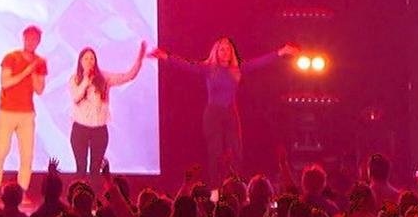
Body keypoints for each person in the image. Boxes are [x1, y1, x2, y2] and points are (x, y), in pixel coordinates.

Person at [153, 37, 296, 177]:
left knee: (236, 150)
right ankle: (215, 190)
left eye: (228, 49)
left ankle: (235, 184)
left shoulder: (237, 69)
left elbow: (259, 62)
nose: (225, 52)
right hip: (213, 113)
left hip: (230, 112)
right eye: (222, 49)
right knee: (215, 152)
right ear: (216, 52)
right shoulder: (208, 68)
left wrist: (281, 52)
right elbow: (187, 66)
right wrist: (166, 57)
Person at [0, 25, 48, 205]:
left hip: (27, 114)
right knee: (1, 150)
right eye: (29, 38)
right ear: (23, 38)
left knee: (27, 154)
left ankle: (22, 191)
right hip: (7, 111)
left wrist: (34, 71)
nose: (31, 42)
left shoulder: (40, 62)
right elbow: (5, 82)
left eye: (35, 39)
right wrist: (26, 71)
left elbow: (40, 89)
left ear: (39, 42)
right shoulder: (11, 57)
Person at [68, 43, 147, 177]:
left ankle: (93, 196)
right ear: (80, 61)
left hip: (99, 130)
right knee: (80, 169)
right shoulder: (75, 79)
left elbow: (128, 76)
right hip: (80, 129)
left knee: (95, 170)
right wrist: (86, 79)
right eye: (86, 58)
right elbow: (76, 97)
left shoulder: (104, 78)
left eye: (92, 58)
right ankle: (79, 196)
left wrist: (139, 59)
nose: (89, 61)